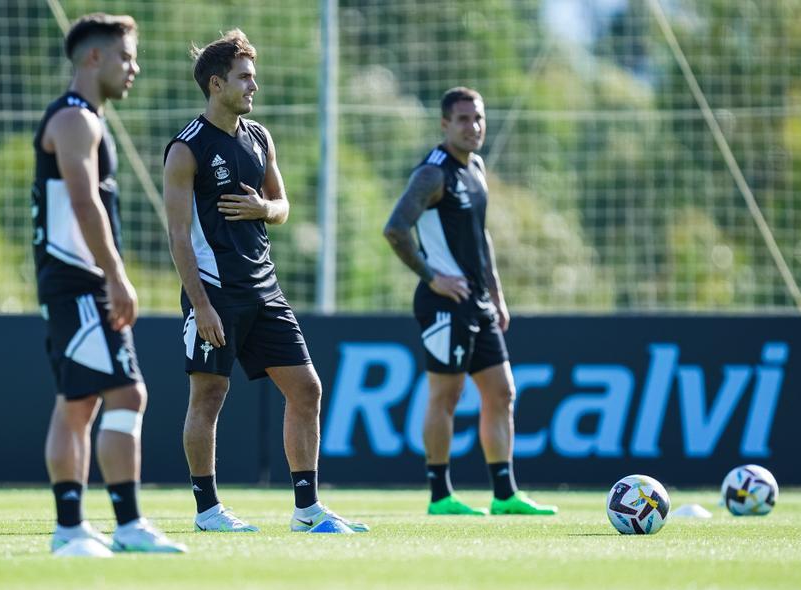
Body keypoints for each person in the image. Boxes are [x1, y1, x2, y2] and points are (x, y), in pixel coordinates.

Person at [163, 29, 366, 534]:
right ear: (216, 84)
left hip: (265, 288)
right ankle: (208, 511)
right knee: (207, 398)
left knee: (308, 390)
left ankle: (307, 511)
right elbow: (178, 236)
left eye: (254, 77)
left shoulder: (260, 138)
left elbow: (282, 205)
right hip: (215, 292)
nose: (254, 86)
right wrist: (200, 304)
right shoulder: (186, 149)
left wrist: (264, 208)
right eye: (245, 77)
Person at [33, 13, 184, 556]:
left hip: (73, 282)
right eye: (126, 56)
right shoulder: (76, 121)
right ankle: (115, 526)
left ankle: (75, 528)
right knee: (126, 392)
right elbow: (82, 201)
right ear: (94, 58)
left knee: (78, 404)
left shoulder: (83, 118)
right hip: (78, 282)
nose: (133, 68)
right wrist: (116, 275)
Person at [383, 87, 557, 517]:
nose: (472, 126)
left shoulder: (476, 167)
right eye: (462, 119)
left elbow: (481, 237)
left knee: (502, 392)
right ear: (445, 125)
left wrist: (496, 294)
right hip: (444, 302)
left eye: (478, 118)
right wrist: (432, 278)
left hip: (477, 301)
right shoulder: (432, 174)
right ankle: (440, 496)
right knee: (446, 394)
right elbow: (395, 229)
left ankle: (504, 495)